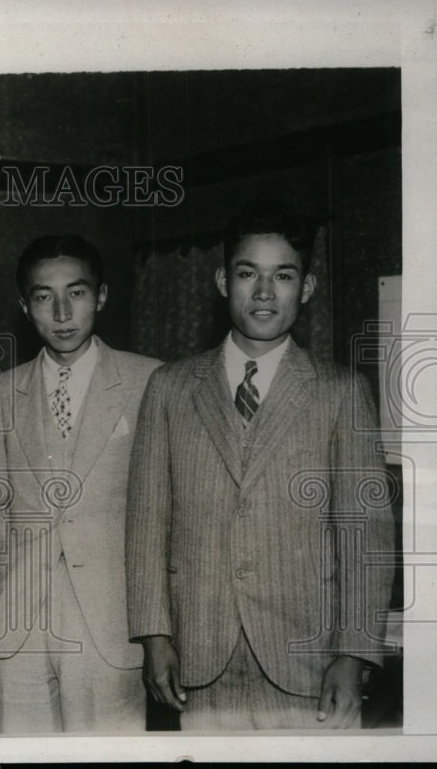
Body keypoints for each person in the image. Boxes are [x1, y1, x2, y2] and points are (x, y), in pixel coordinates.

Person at [125, 199, 396, 730]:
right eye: (249, 273)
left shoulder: (341, 391)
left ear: (308, 288)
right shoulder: (171, 388)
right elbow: (145, 525)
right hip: (200, 658)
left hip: (311, 663)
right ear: (224, 280)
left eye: (284, 276)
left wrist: (354, 655)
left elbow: (366, 537)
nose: (265, 292)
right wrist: (155, 637)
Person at [0, 234, 161, 733]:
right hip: (21, 620)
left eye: (75, 293)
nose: (60, 311)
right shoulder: (5, 390)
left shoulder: (149, 381)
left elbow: (164, 508)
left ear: (100, 296)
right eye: (42, 296)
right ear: (23, 305)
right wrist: (25, 560)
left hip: (110, 619)